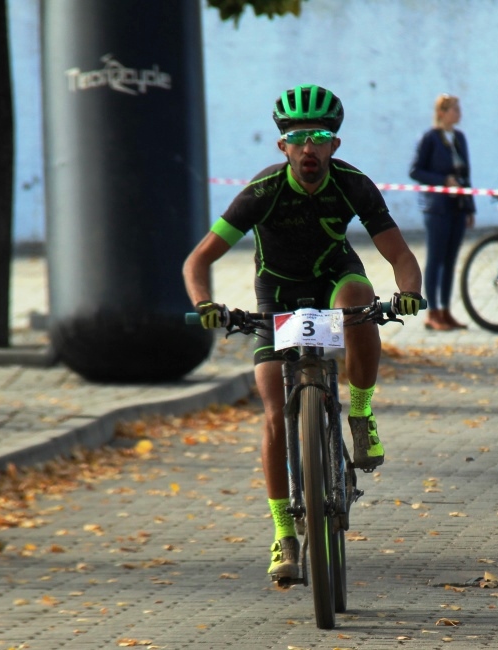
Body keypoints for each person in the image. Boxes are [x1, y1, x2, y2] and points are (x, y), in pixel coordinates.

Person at [182, 84, 423, 585]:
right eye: (298, 138)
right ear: (282, 147)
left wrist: (407, 293)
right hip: (278, 293)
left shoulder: (353, 184)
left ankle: (359, 411)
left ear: (335, 145)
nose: (308, 147)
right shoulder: (262, 192)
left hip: (336, 277)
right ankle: (283, 534)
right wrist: (205, 305)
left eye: (319, 136)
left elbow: (400, 255)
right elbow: (199, 259)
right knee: (273, 413)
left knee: (358, 302)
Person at [409, 93, 476, 331]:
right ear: (442, 113)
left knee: (450, 260)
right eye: (454, 109)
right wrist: (443, 180)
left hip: (457, 207)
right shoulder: (429, 138)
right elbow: (416, 171)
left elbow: (466, 175)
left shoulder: (459, 138)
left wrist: (470, 206)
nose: (459, 113)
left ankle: (446, 310)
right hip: (437, 208)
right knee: (435, 259)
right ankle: (432, 311)